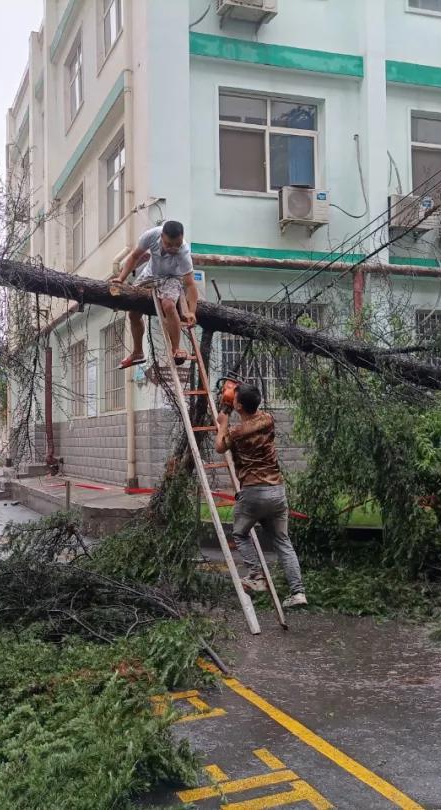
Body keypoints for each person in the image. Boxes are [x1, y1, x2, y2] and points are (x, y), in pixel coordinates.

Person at [215, 382, 307, 609]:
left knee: (240, 533)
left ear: (238, 406)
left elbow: (219, 446)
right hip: (277, 491)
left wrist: (222, 423)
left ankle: (256, 576)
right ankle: (298, 592)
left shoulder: (235, 434)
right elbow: (249, 412)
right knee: (283, 541)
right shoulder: (268, 420)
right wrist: (234, 403)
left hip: (253, 492)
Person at [111, 220, 198, 368]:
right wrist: (121, 278)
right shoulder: (151, 236)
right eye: (169, 244)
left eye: (177, 244)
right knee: (133, 313)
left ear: (181, 238)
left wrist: (191, 312)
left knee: (169, 305)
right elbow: (134, 256)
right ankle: (138, 353)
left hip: (172, 277)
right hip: (151, 274)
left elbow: (189, 284)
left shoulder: (183, 252)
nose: (173, 248)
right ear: (162, 236)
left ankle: (175, 348)